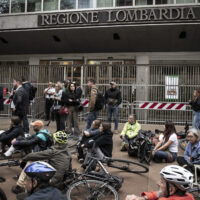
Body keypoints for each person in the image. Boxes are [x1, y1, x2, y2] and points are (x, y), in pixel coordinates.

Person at [125, 165, 194, 200]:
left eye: (161, 182)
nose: (158, 183)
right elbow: (159, 194)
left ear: (171, 189)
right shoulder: (190, 197)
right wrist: (144, 198)